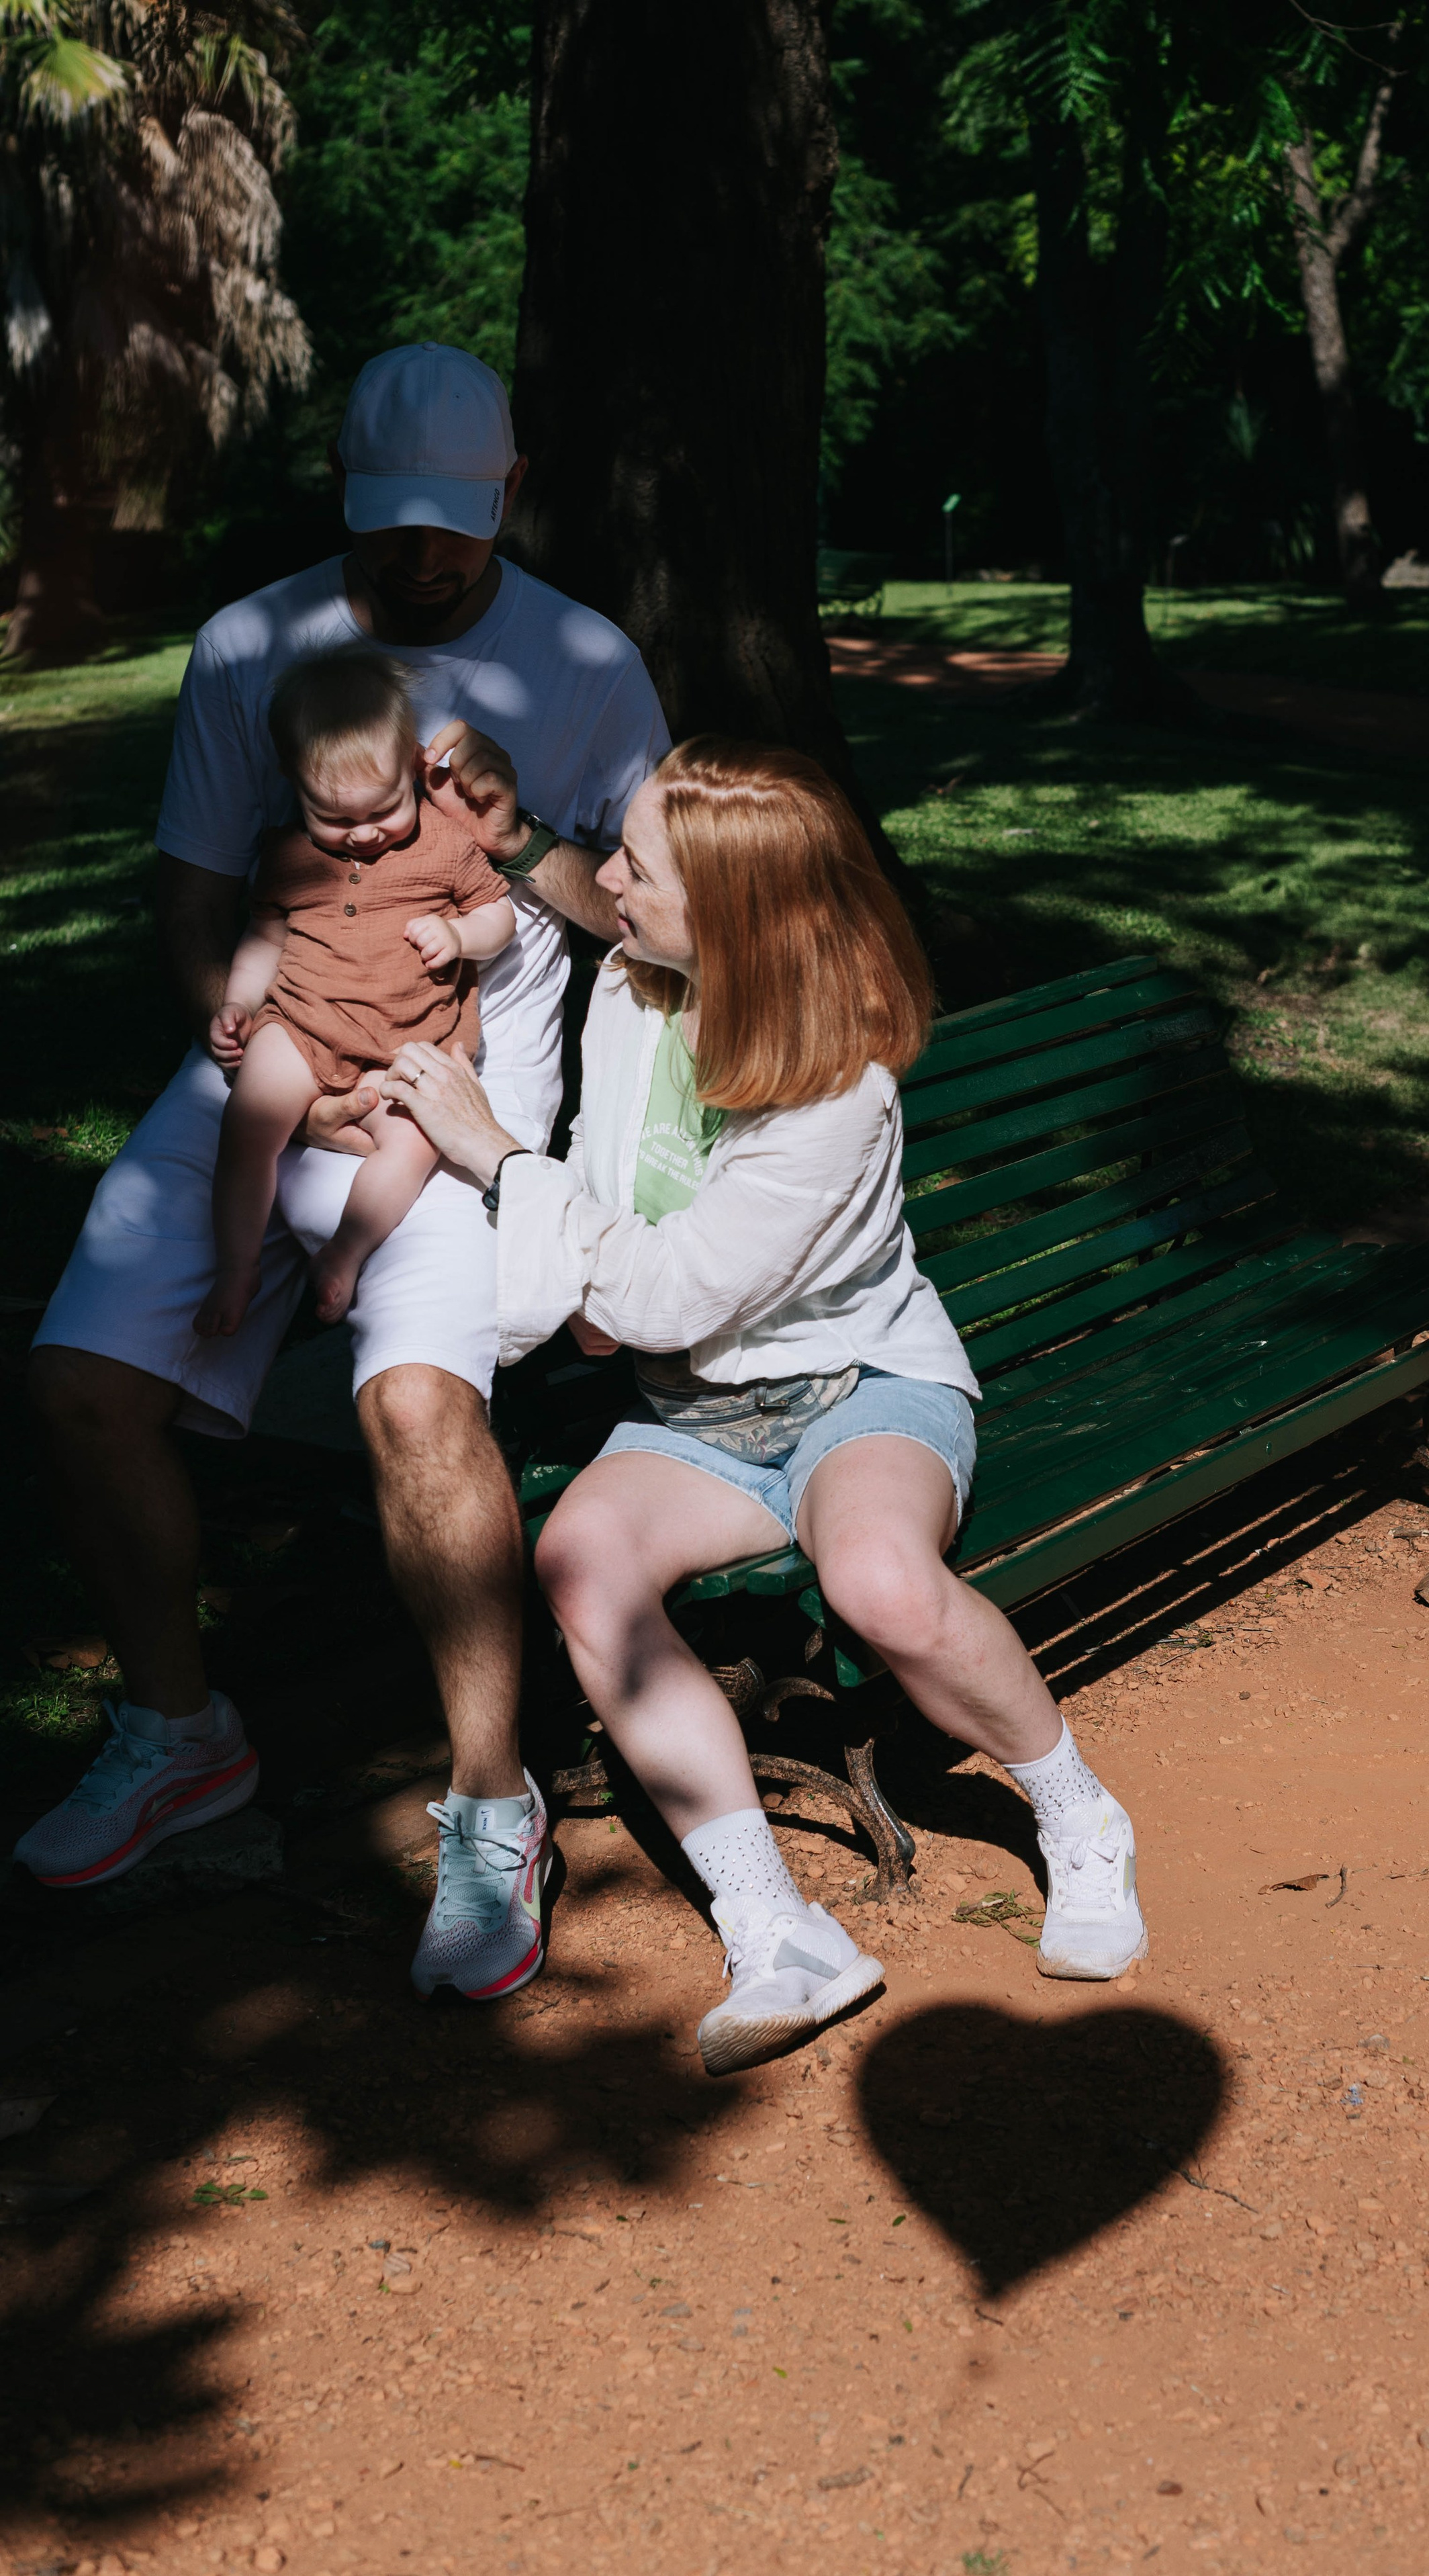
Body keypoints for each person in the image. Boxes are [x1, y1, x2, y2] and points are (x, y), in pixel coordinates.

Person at [23, 345, 669, 2010]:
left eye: (453, 530)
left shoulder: (587, 662)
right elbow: (188, 890)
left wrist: (520, 839)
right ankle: (182, 1734)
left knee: (416, 1414)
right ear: (344, 497)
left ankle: (487, 1801)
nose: (421, 561)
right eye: (392, 528)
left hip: (459, 1099)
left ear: (505, 496)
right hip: (270, 1061)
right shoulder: (253, 644)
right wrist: (252, 1050)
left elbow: (640, 914)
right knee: (81, 1380)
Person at [386, 737, 1146, 2074]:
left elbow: (664, 1298)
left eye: (637, 863)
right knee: (580, 1561)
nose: (605, 876)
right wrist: (512, 844)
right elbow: (613, 1192)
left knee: (878, 1584)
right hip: (695, 1421)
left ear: (732, 912)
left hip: (860, 1388)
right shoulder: (637, 980)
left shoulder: (834, 1085)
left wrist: (499, 1163)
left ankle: (1074, 1807)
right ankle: (775, 1926)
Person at [195, 652, 517, 1337]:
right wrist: (241, 1004)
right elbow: (264, 940)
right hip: (304, 1025)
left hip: (412, 1044)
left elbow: (500, 917)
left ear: (410, 764)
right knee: (249, 1122)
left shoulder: (446, 845)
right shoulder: (286, 854)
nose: (365, 833)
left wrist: (460, 937)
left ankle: (348, 1248)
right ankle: (236, 1265)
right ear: (294, 784)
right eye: (335, 819)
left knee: (412, 1143)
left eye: (384, 809)